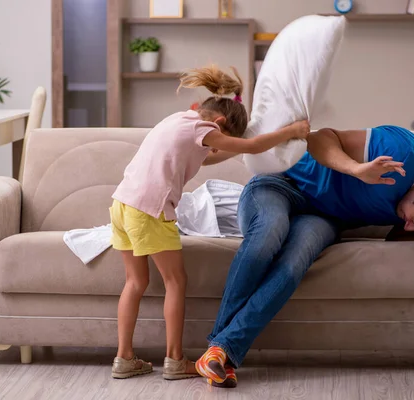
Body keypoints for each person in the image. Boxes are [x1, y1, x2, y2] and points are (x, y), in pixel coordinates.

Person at [195, 125, 414, 388]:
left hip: (322, 218)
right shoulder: (405, 150)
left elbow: (395, 239)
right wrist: (356, 169)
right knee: (270, 232)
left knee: (294, 262)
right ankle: (219, 348)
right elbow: (320, 137)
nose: (407, 227)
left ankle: (217, 352)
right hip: (280, 182)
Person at [109, 65, 311, 380]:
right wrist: (291, 132)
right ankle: (175, 361)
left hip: (122, 204)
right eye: (220, 139)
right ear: (217, 123)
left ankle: (124, 359)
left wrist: (227, 150)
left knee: (134, 283)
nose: (217, 145)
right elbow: (251, 146)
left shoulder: (179, 121)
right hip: (151, 209)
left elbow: (208, 157)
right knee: (176, 282)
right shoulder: (202, 129)